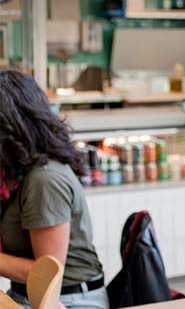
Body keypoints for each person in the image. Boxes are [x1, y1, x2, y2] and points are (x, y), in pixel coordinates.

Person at [0, 69, 108, 308]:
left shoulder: (45, 180)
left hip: (69, 299)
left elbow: (46, 276)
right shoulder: (15, 172)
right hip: (25, 295)